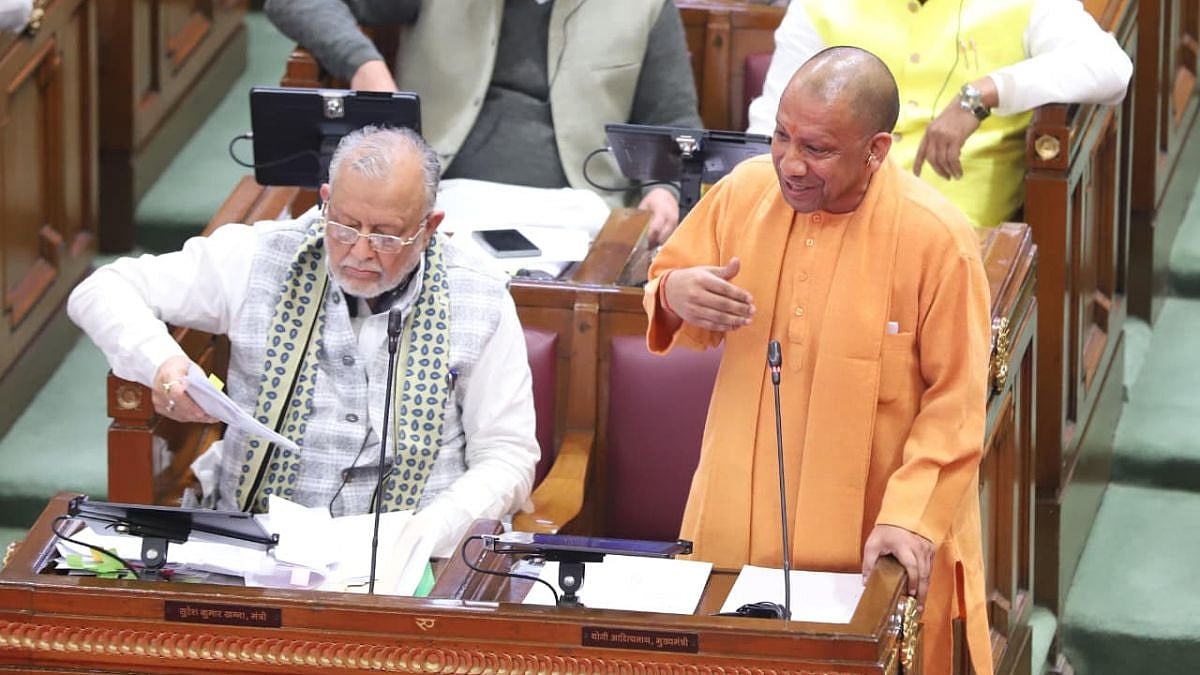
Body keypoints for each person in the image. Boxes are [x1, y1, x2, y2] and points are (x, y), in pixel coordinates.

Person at [646, 47, 993, 673]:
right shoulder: (746, 192)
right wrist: (674, 292)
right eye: (782, 136)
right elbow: (668, 277)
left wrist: (910, 518)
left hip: (874, 541)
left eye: (819, 148)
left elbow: (958, 401)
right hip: (735, 521)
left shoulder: (937, 239)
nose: (791, 163)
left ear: (876, 150)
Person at [68, 126, 540, 568]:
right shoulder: (257, 258)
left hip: (413, 564)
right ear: (326, 201)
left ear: (429, 226)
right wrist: (162, 364)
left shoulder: (480, 297)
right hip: (255, 553)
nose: (360, 251)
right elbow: (101, 289)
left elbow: (508, 454)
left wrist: (428, 532)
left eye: (386, 235)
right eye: (346, 225)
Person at [265, 0, 703, 245]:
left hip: (583, 217)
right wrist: (364, 65)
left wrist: (662, 191)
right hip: (436, 207)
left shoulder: (645, 6)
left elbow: (674, 122)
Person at [745, 0, 1133, 228]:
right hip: (827, 220)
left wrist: (982, 93)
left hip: (957, 237)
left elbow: (1111, 68)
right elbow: (771, 121)